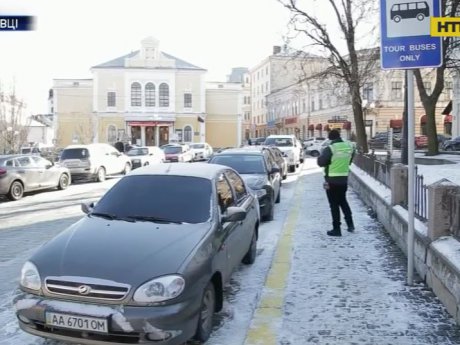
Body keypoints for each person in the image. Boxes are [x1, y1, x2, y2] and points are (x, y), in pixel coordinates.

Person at [317, 129, 355, 237]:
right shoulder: (349, 146)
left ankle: (336, 229)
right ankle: (350, 224)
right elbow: (351, 158)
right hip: (343, 179)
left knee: (334, 205)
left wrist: (321, 157)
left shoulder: (330, 148)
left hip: (331, 180)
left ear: (330, 138)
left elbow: (321, 162)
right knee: (343, 201)